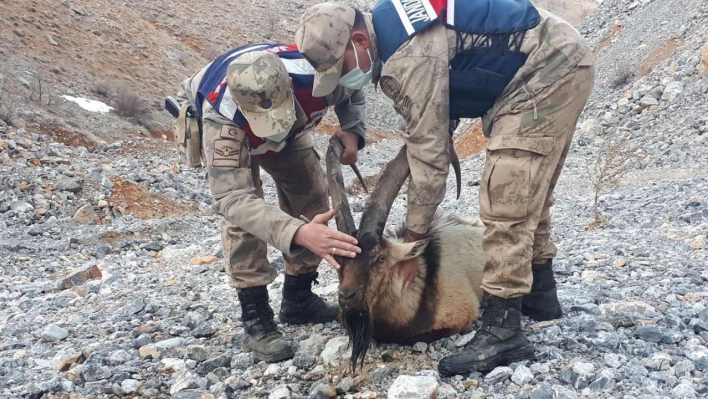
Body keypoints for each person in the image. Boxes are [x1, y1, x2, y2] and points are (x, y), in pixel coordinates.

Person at [294, 0, 595, 375]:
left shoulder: (408, 57)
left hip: (548, 69)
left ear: (358, 40)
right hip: (558, 59)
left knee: (508, 193)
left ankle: (504, 332)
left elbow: (429, 159)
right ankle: (541, 297)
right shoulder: (393, 32)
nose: (341, 78)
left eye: (340, 68)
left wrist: (414, 242)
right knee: (530, 185)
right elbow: (447, 86)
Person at [171, 43, 367, 363]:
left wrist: (353, 131)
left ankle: (298, 299)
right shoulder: (223, 120)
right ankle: (256, 317)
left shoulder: (319, 74)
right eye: (266, 122)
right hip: (238, 131)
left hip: (294, 125)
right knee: (243, 222)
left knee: (313, 197)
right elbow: (232, 199)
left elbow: (355, 88)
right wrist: (296, 232)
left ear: (289, 86)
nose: (272, 136)